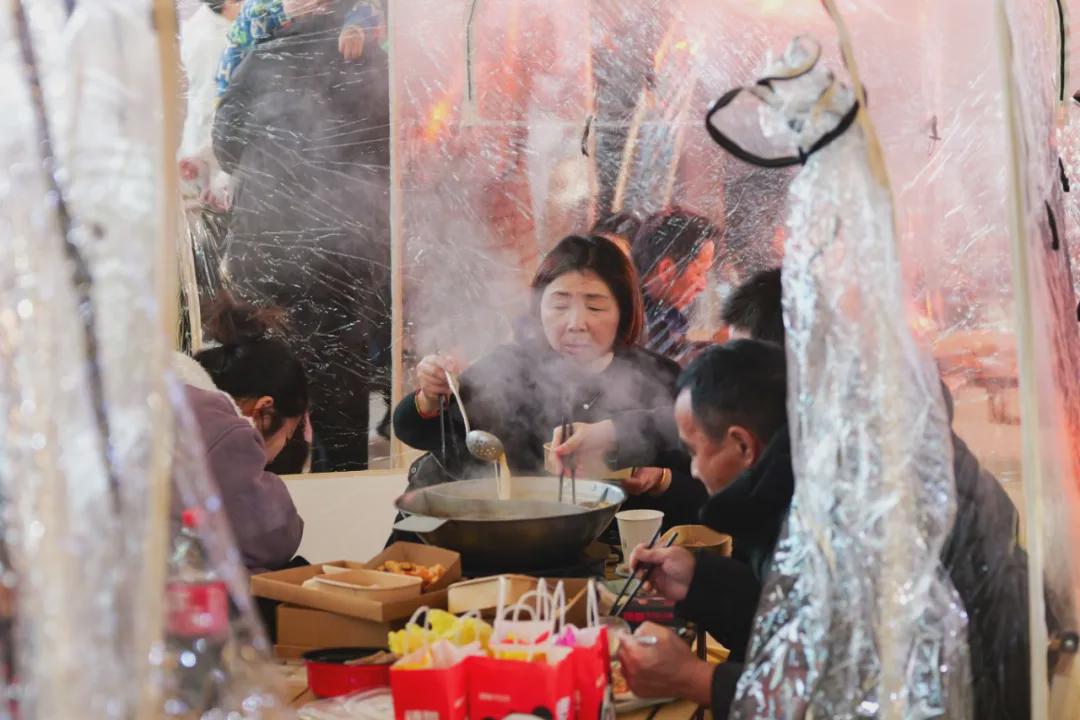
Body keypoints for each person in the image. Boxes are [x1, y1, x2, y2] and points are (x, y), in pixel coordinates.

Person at [719, 266, 1034, 720]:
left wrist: (701, 680)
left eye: (739, 372)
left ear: (792, 372)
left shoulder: (867, 467)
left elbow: (837, 675)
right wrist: (701, 581)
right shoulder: (876, 420)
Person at [393, 235, 706, 527]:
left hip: (622, 549)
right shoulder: (508, 368)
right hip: (515, 535)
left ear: (623, 310)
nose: (576, 323)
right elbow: (420, 432)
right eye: (559, 305)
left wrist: (661, 480)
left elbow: (705, 495)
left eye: (595, 306)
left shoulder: (658, 377)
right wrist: (430, 396)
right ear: (538, 307)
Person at [214, 2, 390, 470]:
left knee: (270, 376)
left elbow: (225, 146)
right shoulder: (372, 62)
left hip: (265, 245)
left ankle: (270, 482)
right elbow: (395, 148)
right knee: (339, 378)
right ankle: (344, 485)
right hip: (346, 251)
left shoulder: (260, 57)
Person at [618, 341, 790, 716]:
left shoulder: (814, 523)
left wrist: (695, 678)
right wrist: (698, 581)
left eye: (694, 453)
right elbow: (782, 615)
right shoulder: (784, 495)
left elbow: (828, 692)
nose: (693, 471)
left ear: (742, 445)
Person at [185, 297, 306, 575]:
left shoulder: (177, 401)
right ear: (264, 410)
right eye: (288, 436)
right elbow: (276, 538)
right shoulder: (227, 435)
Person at [215, 0, 384, 97]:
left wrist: (356, 26)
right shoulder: (257, 13)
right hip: (271, 97)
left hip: (333, 89)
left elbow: (364, 5)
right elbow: (236, 44)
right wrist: (223, 93)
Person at [631, 208, 720, 365]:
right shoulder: (632, 322)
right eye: (699, 273)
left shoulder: (668, 318)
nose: (703, 286)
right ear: (666, 270)